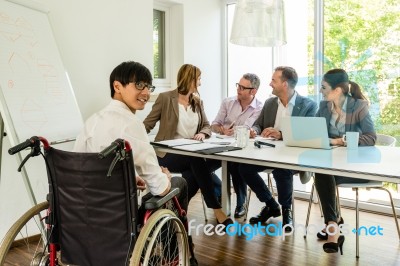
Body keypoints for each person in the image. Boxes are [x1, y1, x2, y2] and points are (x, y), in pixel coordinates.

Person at [72, 61, 196, 264]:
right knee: (178, 184)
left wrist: (130, 177)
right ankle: (175, 256)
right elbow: (160, 187)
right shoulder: (131, 124)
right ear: (117, 86)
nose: (146, 92)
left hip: (87, 209)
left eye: (149, 86)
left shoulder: (92, 121)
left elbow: (82, 166)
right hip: (119, 214)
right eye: (139, 85)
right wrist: (165, 178)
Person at [143, 63, 233, 226]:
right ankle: (217, 209)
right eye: (198, 79)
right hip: (166, 153)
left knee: (197, 169)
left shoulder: (197, 102)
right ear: (190, 79)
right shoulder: (166, 98)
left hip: (191, 152)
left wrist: (202, 133)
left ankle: (176, 210)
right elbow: (147, 124)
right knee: (196, 161)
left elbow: (207, 125)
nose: (200, 83)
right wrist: (135, 140)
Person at [240, 66, 318, 231]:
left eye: (274, 80)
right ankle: (271, 204)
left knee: (281, 170)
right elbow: (259, 124)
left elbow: (308, 134)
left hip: (293, 156)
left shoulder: (308, 105)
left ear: (285, 84)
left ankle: (286, 210)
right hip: (267, 152)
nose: (269, 84)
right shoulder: (269, 103)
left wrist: (281, 134)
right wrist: (255, 130)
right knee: (243, 167)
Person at [314, 68, 376, 254]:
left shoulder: (359, 106)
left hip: (354, 165)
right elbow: (316, 130)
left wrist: (340, 141)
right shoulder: (324, 107)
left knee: (323, 172)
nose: (321, 91)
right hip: (331, 162)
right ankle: (333, 225)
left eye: (324, 87)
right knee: (323, 170)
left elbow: (371, 137)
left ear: (337, 90)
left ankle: (333, 224)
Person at [210, 73, 263, 218]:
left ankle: (241, 203)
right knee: (200, 165)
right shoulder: (227, 102)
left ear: (253, 91)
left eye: (242, 87)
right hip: (220, 145)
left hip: (242, 148)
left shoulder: (259, 107)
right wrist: (222, 129)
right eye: (238, 85)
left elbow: (247, 129)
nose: (238, 89)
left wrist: (242, 132)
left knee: (235, 164)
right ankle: (220, 192)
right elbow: (214, 125)